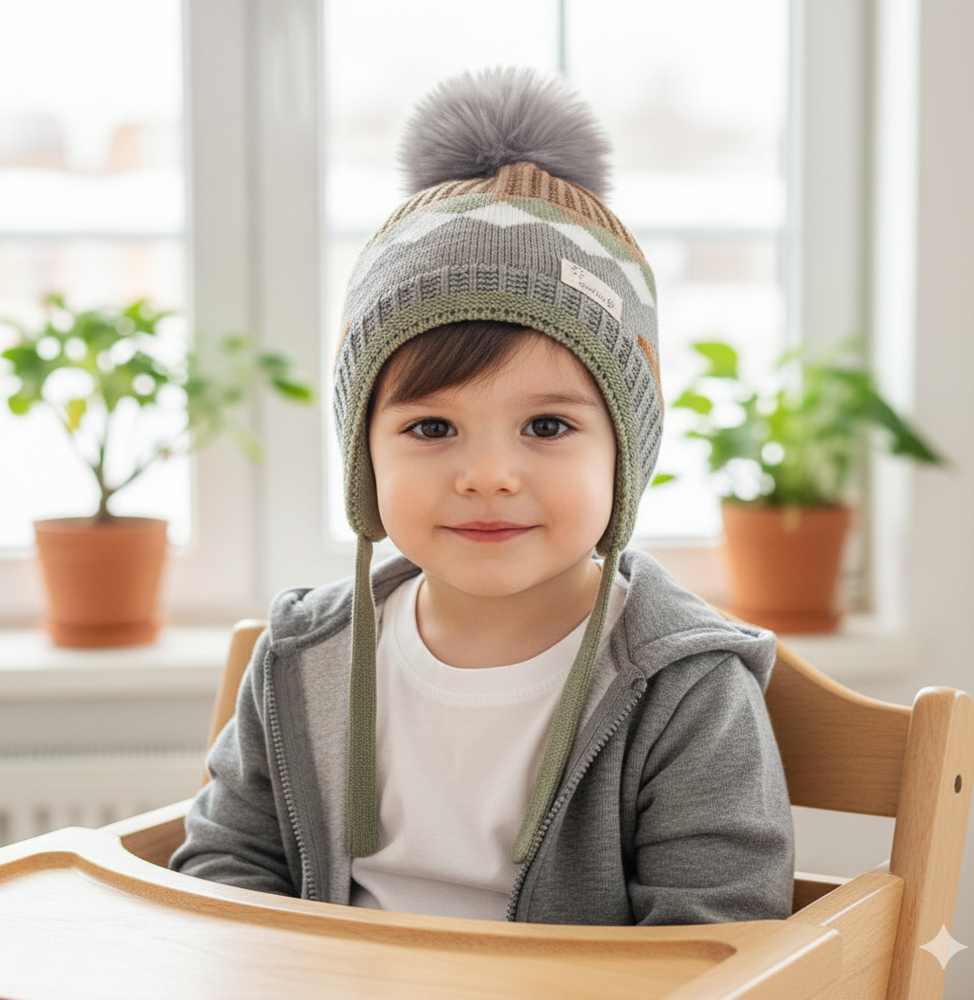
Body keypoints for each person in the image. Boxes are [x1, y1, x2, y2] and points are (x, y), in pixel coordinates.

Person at [170, 67, 794, 925]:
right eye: (433, 429)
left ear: (626, 450)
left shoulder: (684, 690)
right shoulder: (302, 656)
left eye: (545, 427)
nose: (487, 475)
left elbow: (717, 936)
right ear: (364, 457)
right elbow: (225, 862)